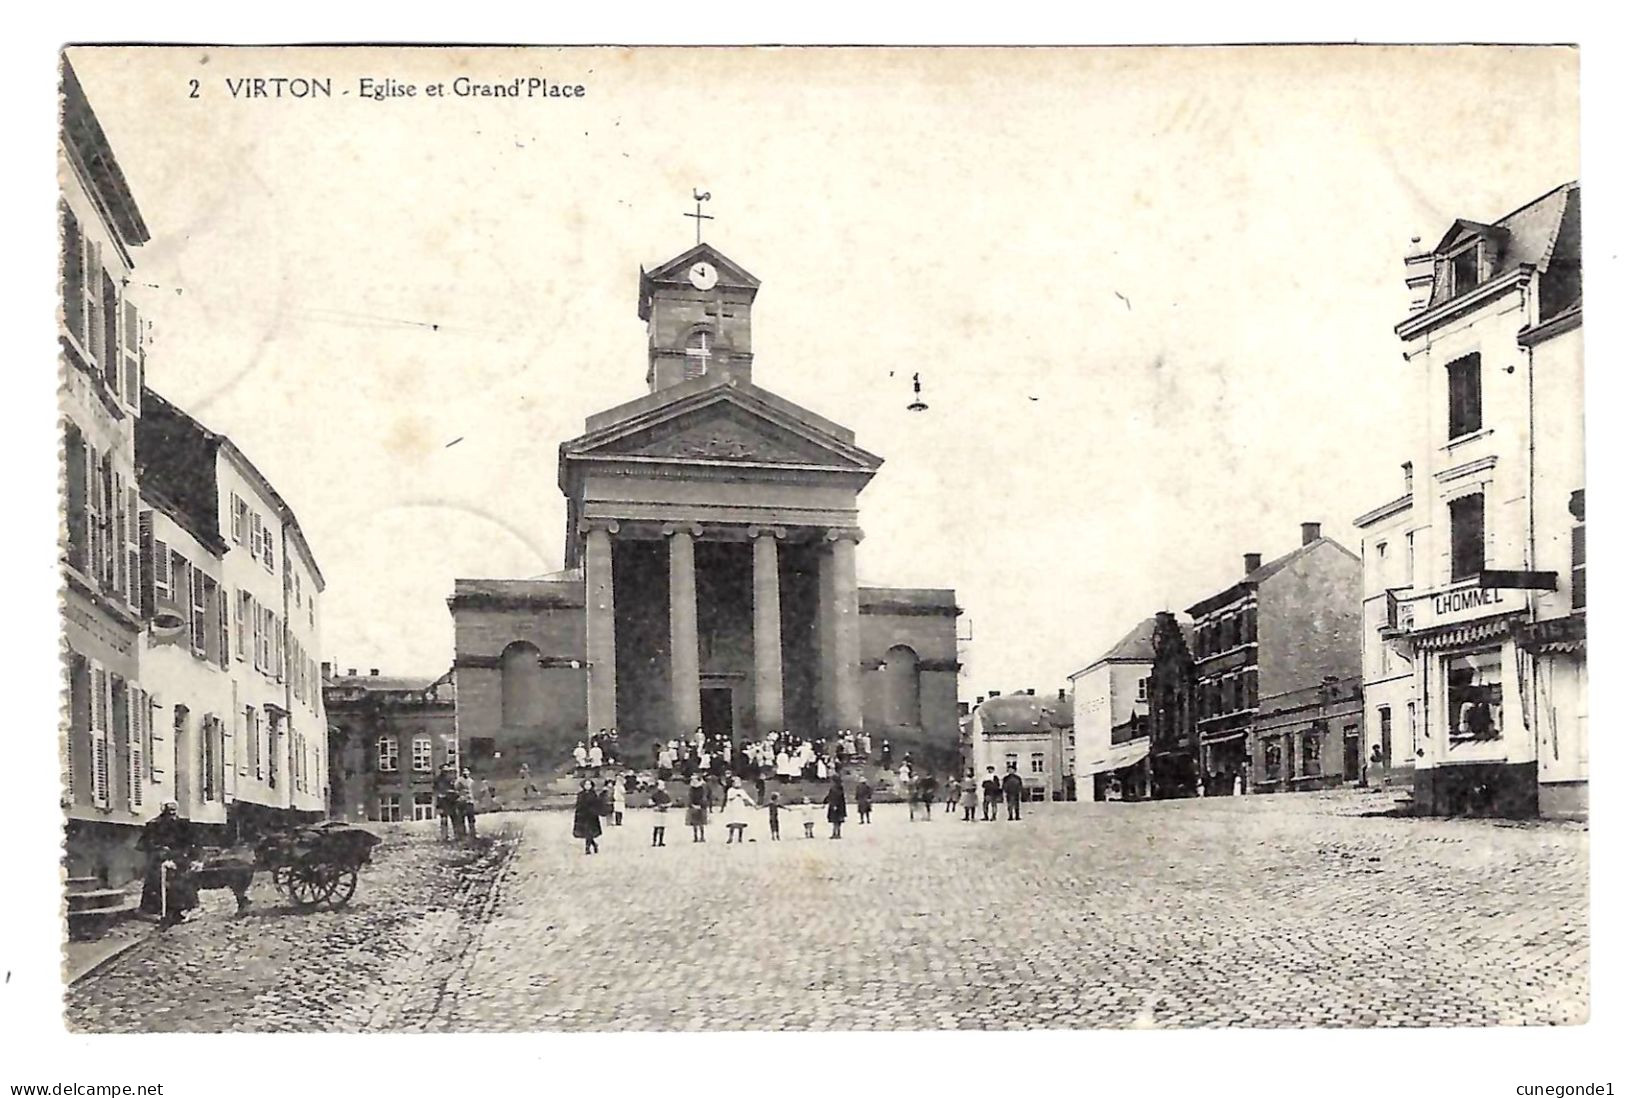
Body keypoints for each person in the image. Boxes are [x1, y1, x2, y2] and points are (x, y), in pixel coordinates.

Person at [136, 800, 195, 922]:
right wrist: (158, 848)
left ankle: (181, 910)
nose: (172, 814)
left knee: (181, 883)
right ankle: (153, 911)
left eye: (174, 811)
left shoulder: (182, 825)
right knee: (155, 883)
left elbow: (190, 843)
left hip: (178, 859)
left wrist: (186, 854)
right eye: (169, 811)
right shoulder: (153, 824)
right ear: (163, 811)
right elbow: (142, 844)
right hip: (159, 859)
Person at [574, 779, 603, 854]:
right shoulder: (580, 794)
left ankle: (587, 848)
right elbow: (578, 805)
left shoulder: (593, 794)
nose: (587, 786)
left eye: (589, 784)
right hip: (583, 816)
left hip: (592, 816)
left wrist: (595, 811)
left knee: (589, 832)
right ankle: (594, 845)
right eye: (586, 784)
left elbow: (597, 804)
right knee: (587, 832)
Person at [433, 762, 459, 839]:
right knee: (443, 819)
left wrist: (453, 793)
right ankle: (444, 836)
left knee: (454, 818)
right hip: (443, 801)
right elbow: (436, 790)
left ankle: (456, 835)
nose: (445, 771)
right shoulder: (437, 779)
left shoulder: (451, 778)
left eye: (447, 769)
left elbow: (455, 789)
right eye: (444, 769)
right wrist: (439, 796)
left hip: (451, 801)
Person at [456, 767, 479, 840]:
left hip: (470, 801)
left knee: (471, 818)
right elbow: (456, 789)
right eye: (464, 771)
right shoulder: (459, 781)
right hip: (462, 801)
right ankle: (462, 834)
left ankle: (473, 833)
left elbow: (474, 791)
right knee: (461, 818)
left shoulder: (471, 781)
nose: (466, 773)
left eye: (467, 771)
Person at [686, 775, 710, 843]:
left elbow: (704, 798)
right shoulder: (691, 790)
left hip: (701, 807)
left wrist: (701, 805)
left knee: (701, 823)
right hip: (694, 807)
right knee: (694, 824)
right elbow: (690, 798)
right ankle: (696, 837)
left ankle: (702, 836)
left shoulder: (702, 789)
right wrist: (692, 805)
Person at [649, 781, 672, 847]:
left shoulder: (661, 795)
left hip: (660, 812)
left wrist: (663, 805)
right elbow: (650, 802)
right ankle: (658, 841)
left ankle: (657, 841)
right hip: (660, 812)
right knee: (659, 827)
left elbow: (669, 803)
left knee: (659, 827)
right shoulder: (661, 795)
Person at [825, 774, 847, 839]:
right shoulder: (840, 788)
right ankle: (838, 833)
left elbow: (833, 797)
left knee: (835, 820)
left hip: (835, 806)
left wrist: (833, 804)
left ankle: (835, 833)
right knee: (838, 821)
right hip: (841, 806)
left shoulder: (834, 788)